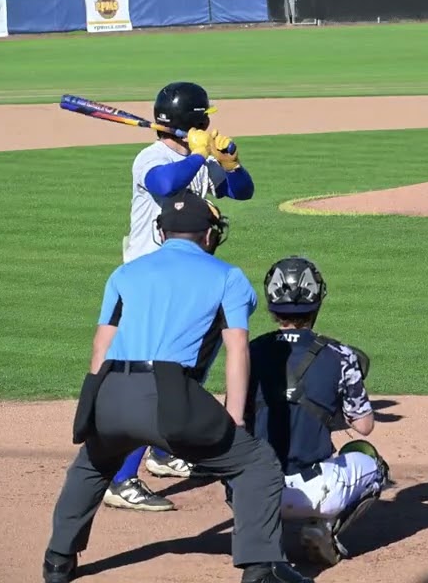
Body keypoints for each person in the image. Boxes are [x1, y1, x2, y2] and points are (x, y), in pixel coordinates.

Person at [42, 191, 314, 583]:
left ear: (161, 232)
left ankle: (57, 561)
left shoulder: (125, 273)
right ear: (208, 235)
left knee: (92, 464)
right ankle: (261, 568)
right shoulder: (227, 276)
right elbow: (237, 347)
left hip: (111, 388)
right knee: (256, 464)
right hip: (171, 394)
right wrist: (234, 416)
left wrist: (92, 406)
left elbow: (102, 344)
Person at [105, 81, 257, 513]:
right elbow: (166, 184)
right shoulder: (151, 158)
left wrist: (231, 162)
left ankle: (162, 452)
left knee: (187, 373)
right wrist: (197, 155)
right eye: (205, 117)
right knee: (156, 382)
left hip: (188, 283)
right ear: (195, 122)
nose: (211, 122)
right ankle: (120, 480)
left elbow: (241, 191)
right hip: (149, 285)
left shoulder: (198, 160)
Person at [241, 256, 391, 566]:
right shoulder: (341, 355)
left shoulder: (249, 353)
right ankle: (324, 528)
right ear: (317, 300)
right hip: (316, 489)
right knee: (374, 464)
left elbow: (236, 419)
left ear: (270, 305)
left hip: (254, 492)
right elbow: (363, 426)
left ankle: (260, 531)